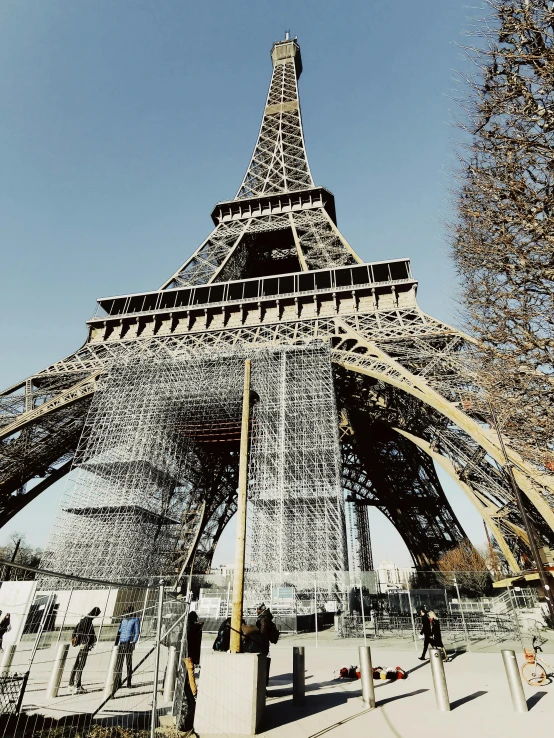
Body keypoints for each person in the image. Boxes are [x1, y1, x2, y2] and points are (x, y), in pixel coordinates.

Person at [69, 607, 101, 694]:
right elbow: (91, 635)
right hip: (85, 645)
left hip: (81, 645)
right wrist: (90, 643)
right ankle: (78, 686)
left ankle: (71, 684)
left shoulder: (82, 620)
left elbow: (74, 632)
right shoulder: (89, 621)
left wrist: (77, 640)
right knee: (81, 665)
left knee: (76, 664)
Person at [113, 609, 140, 691]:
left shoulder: (135, 620)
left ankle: (129, 682)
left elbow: (137, 632)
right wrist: (116, 643)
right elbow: (119, 631)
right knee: (119, 663)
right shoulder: (123, 621)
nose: (125, 615)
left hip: (129, 643)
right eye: (124, 614)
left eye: (127, 614)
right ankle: (118, 681)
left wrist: (133, 642)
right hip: (122, 642)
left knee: (128, 663)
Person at [183, 611, 203, 698]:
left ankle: (193, 691)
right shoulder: (197, 628)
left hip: (186, 653)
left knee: (188, 674)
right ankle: (193, 691)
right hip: (193, 654)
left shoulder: (188, 628)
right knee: (190, 674)